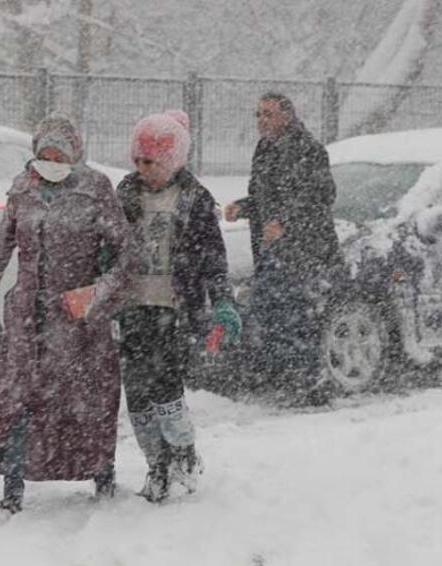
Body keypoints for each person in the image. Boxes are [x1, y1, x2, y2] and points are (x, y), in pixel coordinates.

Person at [0, 114, 136, 514]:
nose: (52, 160)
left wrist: (94, 295)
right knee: (18, 403)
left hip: (77, 324)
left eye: (60, 154)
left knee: (86, 404)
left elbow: (128, 257)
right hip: (27, 323)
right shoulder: (22, 190)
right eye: (45, 153)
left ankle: (101, 475)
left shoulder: (95, 190)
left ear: (75, 154)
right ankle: (13, 487)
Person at [116, 110, 241, 503]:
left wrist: (221, 300)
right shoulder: (125, 195)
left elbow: (213, 257)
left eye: (150, 162)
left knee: (166, 389)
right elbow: (106, 247)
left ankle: (182, 453)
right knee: (137, 394)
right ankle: (156, 463)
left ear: (170, 161)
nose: (142, 169)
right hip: (133, 308)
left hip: (174, 310)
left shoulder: (194, 200)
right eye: (137, 161)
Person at [224, 93, 344, 384]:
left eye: (268, 114)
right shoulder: (265, 149)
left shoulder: (308, 149)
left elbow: (321, 197)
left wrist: (285, 223)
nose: (262, 121)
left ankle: (309, 380)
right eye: (258, 114)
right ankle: (278, 375)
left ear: (287, 116)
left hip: (304, 252)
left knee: (296, 317)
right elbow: (265, 198)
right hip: (270, 250)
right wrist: (243, 206)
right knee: (269, 313)